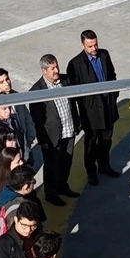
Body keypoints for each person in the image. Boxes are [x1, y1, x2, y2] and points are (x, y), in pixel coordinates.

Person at [67, 30, 121, 186]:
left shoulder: (104, 55)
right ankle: (91, 171)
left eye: (95, 45)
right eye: (90, 46)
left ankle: (104, 165)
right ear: (82, 45)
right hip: (91, 112)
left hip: (107, 106)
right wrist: (86, 107)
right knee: (91, 142)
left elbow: (112, 75)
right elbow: (74, 92)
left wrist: (113, 95)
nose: (94, 48)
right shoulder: (75, 64)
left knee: (106, 140)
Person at [29, 54, 81, 206]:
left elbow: (73, 102)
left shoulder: (65, 80)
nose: (56, 70)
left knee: (66, 162)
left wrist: (77, 123)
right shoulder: (37, 91)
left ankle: (62, 186)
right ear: (44, 70)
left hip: (68, 130)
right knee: (51, 166)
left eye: (57, 66)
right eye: (52, 68)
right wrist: (43, 140)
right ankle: (50, 194)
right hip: (52, 136)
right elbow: (37, 120)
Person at [0, 67, 36, 164]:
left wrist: (29, 139)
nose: (7, 83)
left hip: (24, 145)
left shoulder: (17, 96)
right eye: (1, 82)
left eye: (7, 79)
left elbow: (27, 118)